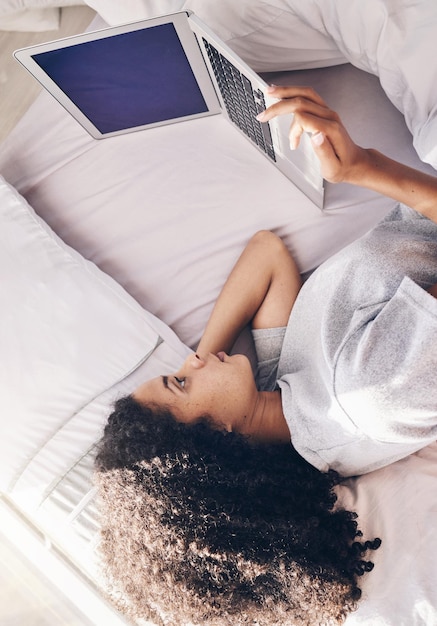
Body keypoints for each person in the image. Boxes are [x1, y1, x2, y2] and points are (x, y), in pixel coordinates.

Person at [94, 86, 437, 625]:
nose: (193, 360)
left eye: (177, 371)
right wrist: (364, 168)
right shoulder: (364, 397)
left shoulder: (281, 392)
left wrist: (208, 376)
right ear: (218, 442)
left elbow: (266, 255)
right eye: (181, 382)